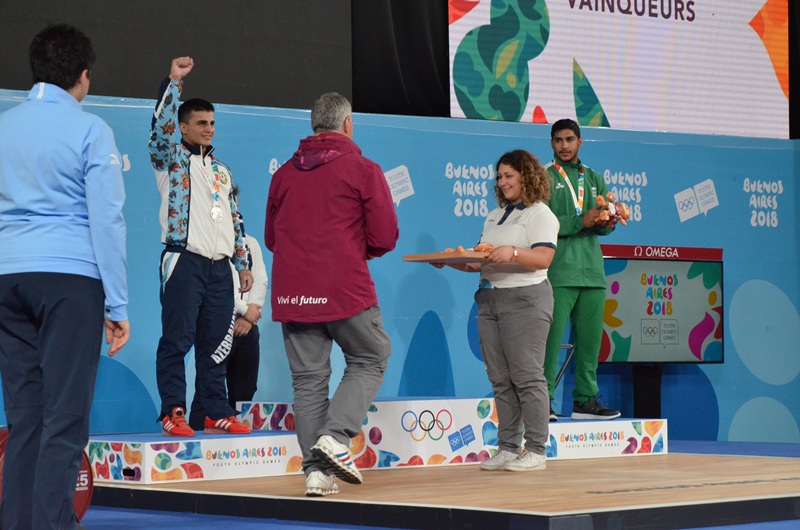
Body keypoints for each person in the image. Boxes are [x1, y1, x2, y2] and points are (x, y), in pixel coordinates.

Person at [0, 23, 130, 529]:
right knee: (65, 417)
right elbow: (108, 221)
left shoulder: (4, 125)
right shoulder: (91, 130)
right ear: (83, 77)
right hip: (69, 279)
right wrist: (117, 305)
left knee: (26, 416)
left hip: (7, 278)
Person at [265, 92, 398, 497]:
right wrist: (355, 251)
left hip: (294, 294)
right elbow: (385, 236)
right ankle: (336, 439)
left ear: (313, 126)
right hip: (344, 289)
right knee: (371, 357)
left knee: (307, 383)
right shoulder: (363, 169)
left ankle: (316, 475)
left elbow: (272, 239)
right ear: (347, 124)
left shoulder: (283, 175)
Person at [149, 57, 253, 437]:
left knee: (216, 345)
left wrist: (243, 263)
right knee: (176, 340)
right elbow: (159, 132)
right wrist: (174, 83)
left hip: (220, 268)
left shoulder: (221, 170)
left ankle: (213, 410)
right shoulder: (170, 160)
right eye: (201, 123)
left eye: (212, 123)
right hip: (183, 261)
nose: (209, 129)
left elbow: (236, 219)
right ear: (183, 127)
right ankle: (172, 411)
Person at [436, 149, 558, 472]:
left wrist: (515, 252)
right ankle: (507, 446)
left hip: (526, 299)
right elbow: (482, 262)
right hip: (490, 299)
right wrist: (451, 261)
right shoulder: (494, 216)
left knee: (527, 376)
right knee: (500, 379)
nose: (502, 182)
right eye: (499, 177)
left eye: (509, 176)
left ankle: (535, 449)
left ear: (526, 176)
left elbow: (544, 258)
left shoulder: (540, 213)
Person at [543, 118, 621, 421]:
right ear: (552, 143)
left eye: (570, 140)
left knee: (589, 343)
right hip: (559, 273)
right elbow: (541, 223)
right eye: (559, 140)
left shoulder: (594, 178)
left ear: (580, 143)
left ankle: (585, 401)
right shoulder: (544, 178)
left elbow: (603, 228)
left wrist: (607, 223)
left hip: (592, 273)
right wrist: (581, 221)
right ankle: (543, 401)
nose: (564, 145)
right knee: (550, 342)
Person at [189, 188, 268, 431]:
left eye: (232, 201)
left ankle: (232, 446)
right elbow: (222, 287)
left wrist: (250, 316)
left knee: (244, 390)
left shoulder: (250, 243)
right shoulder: (206, 245)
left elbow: (260, 279)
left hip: (247, 327)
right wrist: (244, 310)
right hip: (217, 325)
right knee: (208, 388)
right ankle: (197, 438)